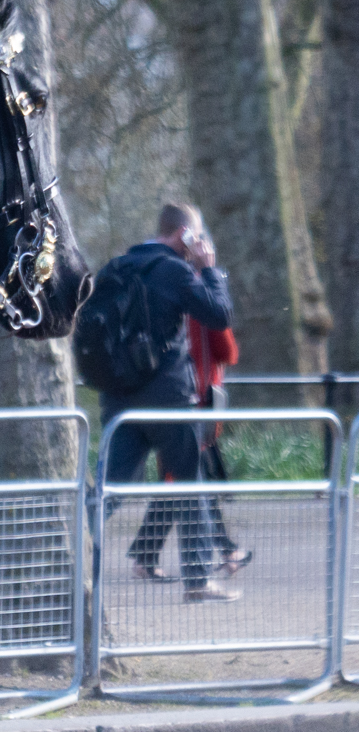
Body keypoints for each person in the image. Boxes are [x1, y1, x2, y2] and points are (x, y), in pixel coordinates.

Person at [99, 203, 238, 603]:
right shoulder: (176, 270)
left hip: (119, 397)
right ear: (184, 236)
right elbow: (218, 313)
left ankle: (66, 553)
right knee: (190, 483)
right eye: (196, 237)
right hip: (168, 399)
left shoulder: (117, 267)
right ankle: (197, 580)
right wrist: (209, 268)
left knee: (110, 487)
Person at [188, 309, 251, 572]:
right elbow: (229, 352)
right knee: (196, 481)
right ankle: (226, 550)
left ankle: (145, 554)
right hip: (201, 400)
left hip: (180, 397)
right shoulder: (204, 305)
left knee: (177, 483)